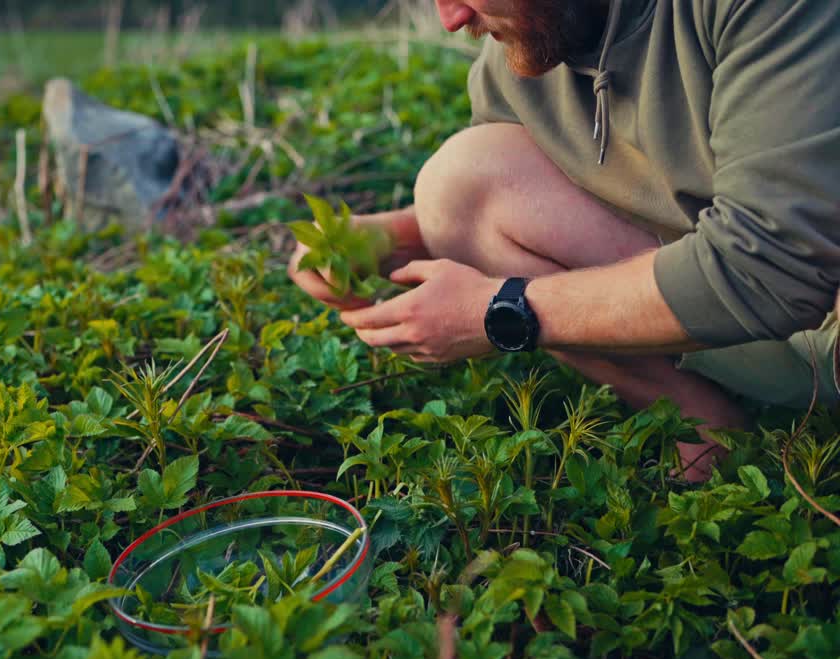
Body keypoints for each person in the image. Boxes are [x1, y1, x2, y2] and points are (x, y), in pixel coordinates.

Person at [289, 0, 840, 482]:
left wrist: (501, 312)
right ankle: (704, 423)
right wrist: (380, 239)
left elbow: (773, 268)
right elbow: (501, 195)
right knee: (460, 181)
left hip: (820, 324)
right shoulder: (537, 33)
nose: (451, 18)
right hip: (734, 301)